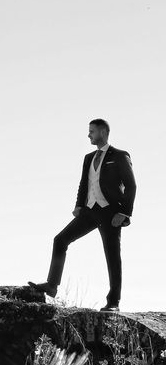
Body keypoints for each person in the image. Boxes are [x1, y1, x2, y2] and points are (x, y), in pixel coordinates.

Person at [28, 119, 136, 312]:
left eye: (92, 131)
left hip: (110, 213)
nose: (88, 135)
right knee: (60, 240)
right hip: (89, 210)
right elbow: (83, 183)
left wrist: (124, 213)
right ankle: (52, 285)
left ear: (102, 132)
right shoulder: (88, 157)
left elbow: (131, 185)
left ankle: (114, 302)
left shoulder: (119, 156)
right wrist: (78, 205)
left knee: (112, 256)